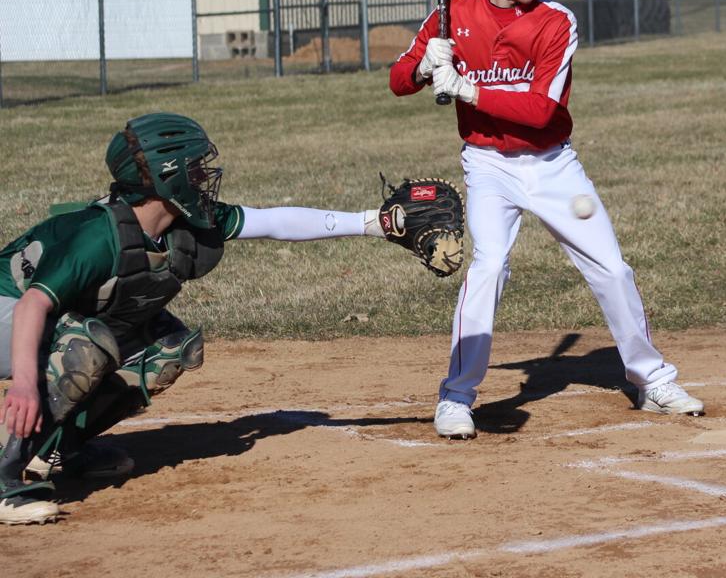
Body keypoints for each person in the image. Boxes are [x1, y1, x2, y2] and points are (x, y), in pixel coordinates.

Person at [0, 112, 430, 525]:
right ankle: (5, 477)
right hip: (11, 311)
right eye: (194, 168)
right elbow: (31, 306)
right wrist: (24, 383)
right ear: (166, 178)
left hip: (34, 319)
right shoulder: (98, 236)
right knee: (85, 347)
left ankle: (60, 449)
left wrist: (374, 223)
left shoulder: (182, 220)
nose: (205, 176)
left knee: (168, 346)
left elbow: (274, 222)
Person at [389, 0, 704, 440]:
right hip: (487, 165)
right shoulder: (452, 16)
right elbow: (398, 81)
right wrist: (424, 67)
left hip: (553, 163)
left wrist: (465, 89)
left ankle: (652, 381)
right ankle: (457, 397)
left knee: (612, 268)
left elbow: (540, 111)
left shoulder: (557, 22)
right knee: (488, 267)